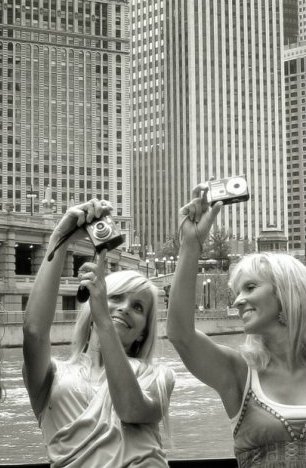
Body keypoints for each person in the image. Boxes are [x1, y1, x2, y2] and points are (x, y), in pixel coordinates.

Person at [23, 199, 175, 468]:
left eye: (138, 307)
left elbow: (130, 408)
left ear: (143, 332)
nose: (125, 308)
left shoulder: (156, 375)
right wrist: (60, 238)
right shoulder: (52, 377)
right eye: (116, 297)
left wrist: (104, 316)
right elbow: (34, 332)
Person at [167, 184, 306, 467]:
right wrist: (190, 245)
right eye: (236, 292)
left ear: (285, 292)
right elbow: (180, 335)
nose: (239, 300)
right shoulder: (239, 371)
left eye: (250, 287)